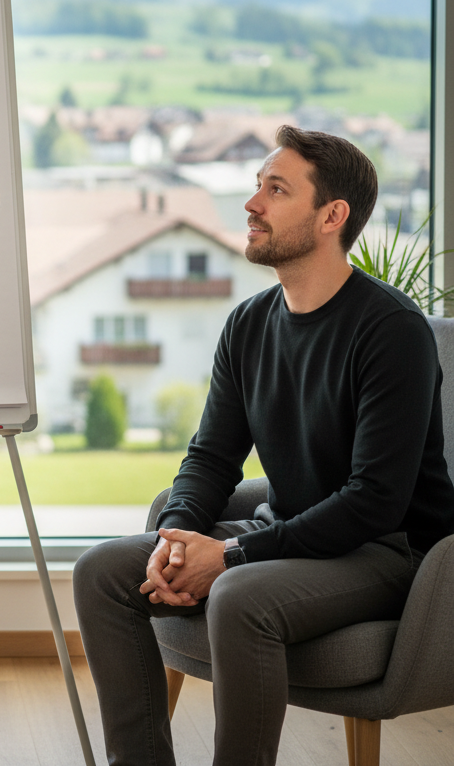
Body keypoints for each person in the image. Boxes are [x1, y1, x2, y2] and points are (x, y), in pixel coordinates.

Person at [73, 125, 454, 766]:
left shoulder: (393, 332)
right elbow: (212, 456)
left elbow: (375, 502)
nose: (252, 204)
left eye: (275, 190)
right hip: (290, 531)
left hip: (391, 553)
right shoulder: (250, 322)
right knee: (102, 572)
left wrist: (229, 555)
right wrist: (175, 536)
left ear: (332, 216)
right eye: (257, 185)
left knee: (239, 595)